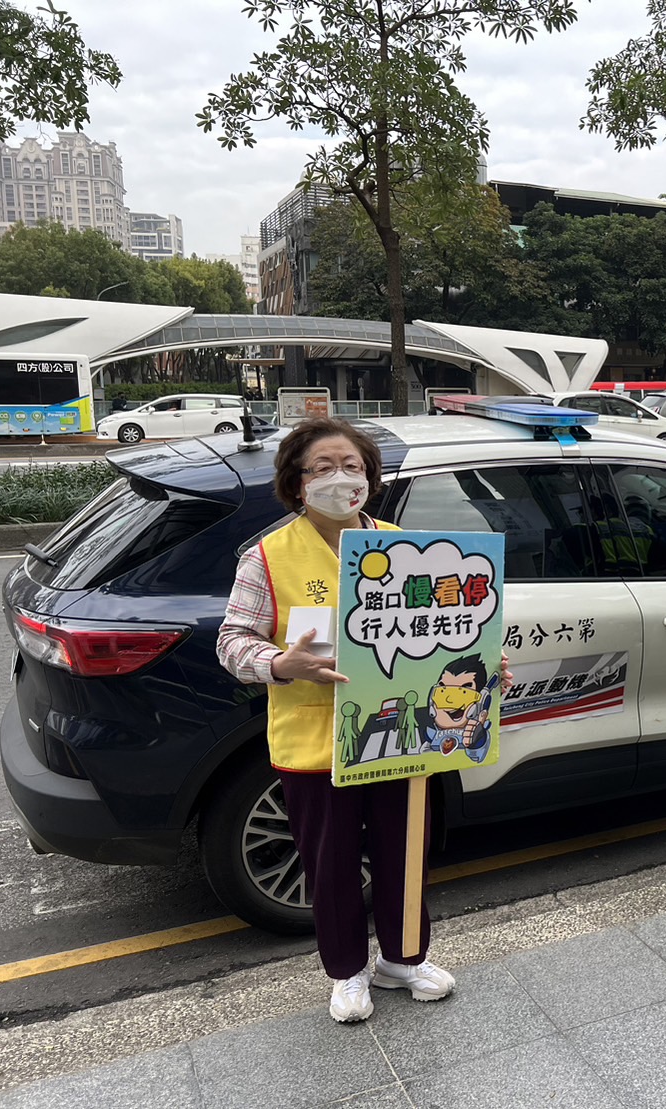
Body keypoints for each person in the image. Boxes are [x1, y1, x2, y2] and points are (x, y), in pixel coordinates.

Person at [216, 417, 512, 1023]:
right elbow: (231, 642)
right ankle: (347, 971)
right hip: (315, 744)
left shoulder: (408, 549)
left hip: (404, 737)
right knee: (332, 864)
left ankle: (402, 959)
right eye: (323, 468)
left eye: (352, 466)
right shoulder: (268, 556)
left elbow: (439, 634)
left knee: (406, 850)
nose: (340, 479)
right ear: (297, 482)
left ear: (370, 479)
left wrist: (481, 667)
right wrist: (280, 663)